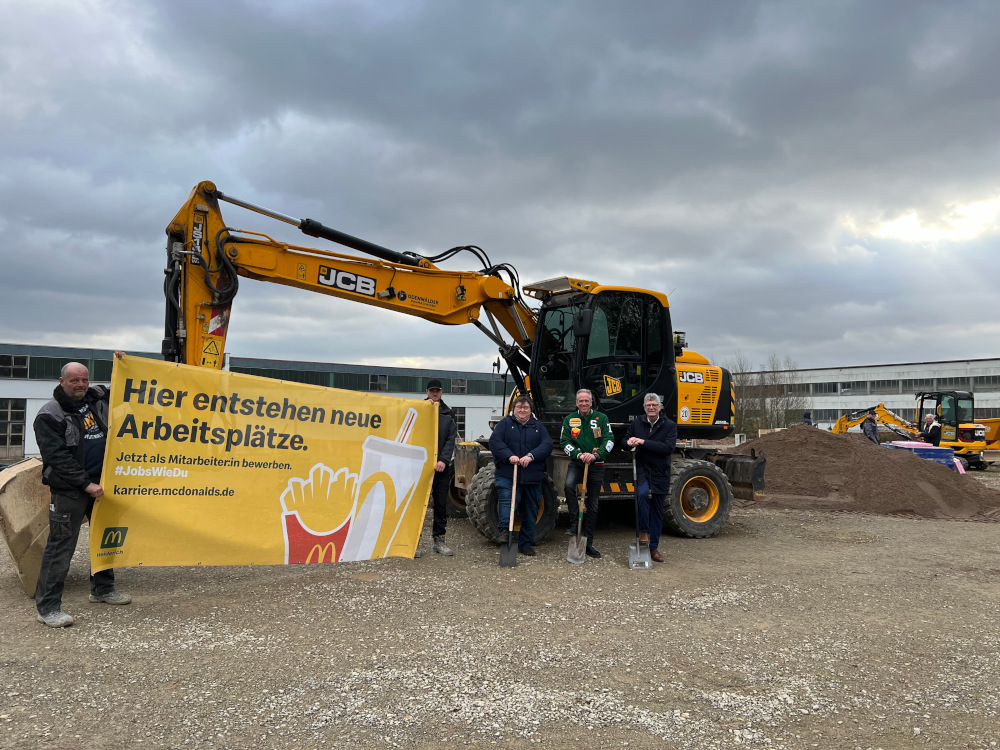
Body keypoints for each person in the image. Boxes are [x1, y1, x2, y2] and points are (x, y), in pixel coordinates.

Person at [34, 357, 131, 627]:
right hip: (71, 490)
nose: (80, 384)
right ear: (62, 381)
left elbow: (126, 386)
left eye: (84, 379)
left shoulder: (95, 396)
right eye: (74, 380)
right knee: (61, 546)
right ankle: (48, 608)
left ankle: (102, 590)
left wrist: (127, 363)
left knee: (106, 539)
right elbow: (56, 457)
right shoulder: (49, 415)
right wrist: (85, 484)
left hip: (103, 484)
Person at [489, 396, 553, 556]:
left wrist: (531, 456)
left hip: (532, 476)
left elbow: (547, 445)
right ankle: (504, 532)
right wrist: (509, 456)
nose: (522, 410)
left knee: (531, 510)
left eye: (525, 408)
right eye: (519, 407)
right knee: (508, 503)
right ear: (514, 409)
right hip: (508, 474)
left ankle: (525, 543)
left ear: (530, 410)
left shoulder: (538, 427)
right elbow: (495, 442)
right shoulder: (504, 425)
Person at [560, 389, 615, 559]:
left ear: (591, 402)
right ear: (576, 403)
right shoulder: (569, 420)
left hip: (596, 465)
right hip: (577, 463)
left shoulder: (601, 418)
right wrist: (578, 454)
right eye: (580, 401)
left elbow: (609, 440)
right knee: (568, 486)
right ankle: (575, 520)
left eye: (586, 401)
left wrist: (596, 454)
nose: (584, 403)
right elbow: (565, 441)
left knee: (593, 505)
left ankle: (588, 542)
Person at [622, 394, 677, 563]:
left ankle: (654, 547)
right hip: (642, 468)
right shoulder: (637, 423)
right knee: (642, 494)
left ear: (660, 407)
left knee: (658, 508)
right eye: (648, 405)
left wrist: (643, 442)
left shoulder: (669, 426)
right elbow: (623, 442)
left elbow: (667, 448)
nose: (651, 408)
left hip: (660, 470)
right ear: (644, 407)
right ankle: (644, 532)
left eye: (654, 405)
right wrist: (629, 442)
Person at [417, 378, 458, 557]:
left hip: (440, 468)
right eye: (432, 391)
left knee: (441, 504)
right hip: (419, 467)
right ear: (427, 392)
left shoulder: (448, 414)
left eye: (438, 391)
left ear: (441, 393)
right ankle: (414, 541)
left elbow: (451, 439)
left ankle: (439, 540)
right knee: (417, 504)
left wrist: (443, 459)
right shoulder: (417, 411)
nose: (435, 394)